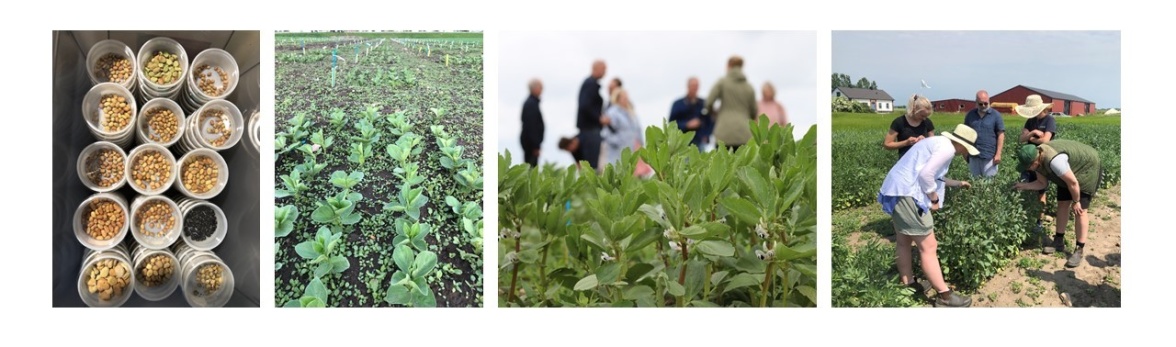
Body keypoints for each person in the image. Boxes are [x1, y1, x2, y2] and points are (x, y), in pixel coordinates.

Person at [876, 123, 979, 307]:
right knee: (929, 246)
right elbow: (926, 175)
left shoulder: (938, 142)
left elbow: (934, 175)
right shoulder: (947, 149)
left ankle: (908, 284)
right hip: (908, 194)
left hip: (897, 191)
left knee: (904, 241)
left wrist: (957, 183)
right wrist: (934, 199)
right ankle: (944, 296)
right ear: (962, 145)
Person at [1015, 139, 1102, 268]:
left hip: (1086, 169)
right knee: (1062, 204)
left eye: (1028, 167)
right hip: (1068, 172)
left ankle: (1079, 249)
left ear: (1035, 161)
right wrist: (1022, 186)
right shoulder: (1038, 159)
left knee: (1080, 211)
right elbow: (1041, 183)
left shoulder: (1055, 162)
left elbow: (1073, 183)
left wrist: (1076, 201)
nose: (1027, 170)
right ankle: (1058, 242)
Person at [1016, 94, 1059, 249]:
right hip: (1027, 160)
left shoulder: (1049, 120)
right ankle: (1026, 216)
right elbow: (1021, 139)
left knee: (1041, 189)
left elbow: (1046, 141)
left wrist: (1030, 138)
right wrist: (1033, 132)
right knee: (1025, 184)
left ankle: (1038, 221)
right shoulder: (1030, 121)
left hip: (1041, 160)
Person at [705, 55, 758, 151]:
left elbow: (709, 102)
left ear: (728, 66)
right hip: (744, 133)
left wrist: (714, 114)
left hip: (724, 132)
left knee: (722, 164)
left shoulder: (722, 83)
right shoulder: (749, 87)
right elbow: (754, 112)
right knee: (743, 164)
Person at [962, 90, 1004, 177]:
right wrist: (964, 152)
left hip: (989, 156)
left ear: (989, 101)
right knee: (975, 183)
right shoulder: (970, 115)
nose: (984, 106)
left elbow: (1001, 134)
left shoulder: (996, 115)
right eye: (981, 104)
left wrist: (998, 154)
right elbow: (964, 133)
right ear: (976, 102)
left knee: (989, 184)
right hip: (973, 155)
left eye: (986, 103)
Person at [600, 88, 643, 168]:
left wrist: (640, 143)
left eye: (627, 98)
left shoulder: (631, 113)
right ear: (618, 99)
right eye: (624, 98)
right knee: (617, 172)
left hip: (631, 148)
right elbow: (606, 133)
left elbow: (637, 129)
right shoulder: (612, 112)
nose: (626, 100)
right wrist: (618, 141)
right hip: (617, 150)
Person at [883, 94, 935, 159]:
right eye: (922, 115)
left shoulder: (928, 122)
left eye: (926, 116)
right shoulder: (899, 122)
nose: (924, 118)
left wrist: (925, 141)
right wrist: (906, 143)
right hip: (905, 162)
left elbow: (933, 144)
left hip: (924, 160)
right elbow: (887, 144)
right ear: (914, 109)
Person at [577, 60, 607, 170]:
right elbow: (585, 106)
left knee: (590, 165)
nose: (605, 72)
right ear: (597, 68)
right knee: (591, 166)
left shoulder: (590, 84)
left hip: (590, 130)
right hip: (590, 130)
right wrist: (599, 118)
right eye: (604, 69)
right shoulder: (590, 84)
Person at [668, 77, 713, 149]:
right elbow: (671, 123)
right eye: (693, 86)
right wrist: (686, 125)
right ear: (688, 86)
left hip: (699, 140)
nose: (695, 88)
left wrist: (706, 135)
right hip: (683, 141)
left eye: (697, 86)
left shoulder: (703, 103)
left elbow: (710, 121)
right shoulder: (678, 104)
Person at [519, 78, 544, 166]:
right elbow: (531, 126)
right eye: (541, 87)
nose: (542, 90)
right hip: (530, 144)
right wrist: (535, 146)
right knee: (531, 168)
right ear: (535, 88)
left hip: (531, 142)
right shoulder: (531, 104)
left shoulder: (532, 103)